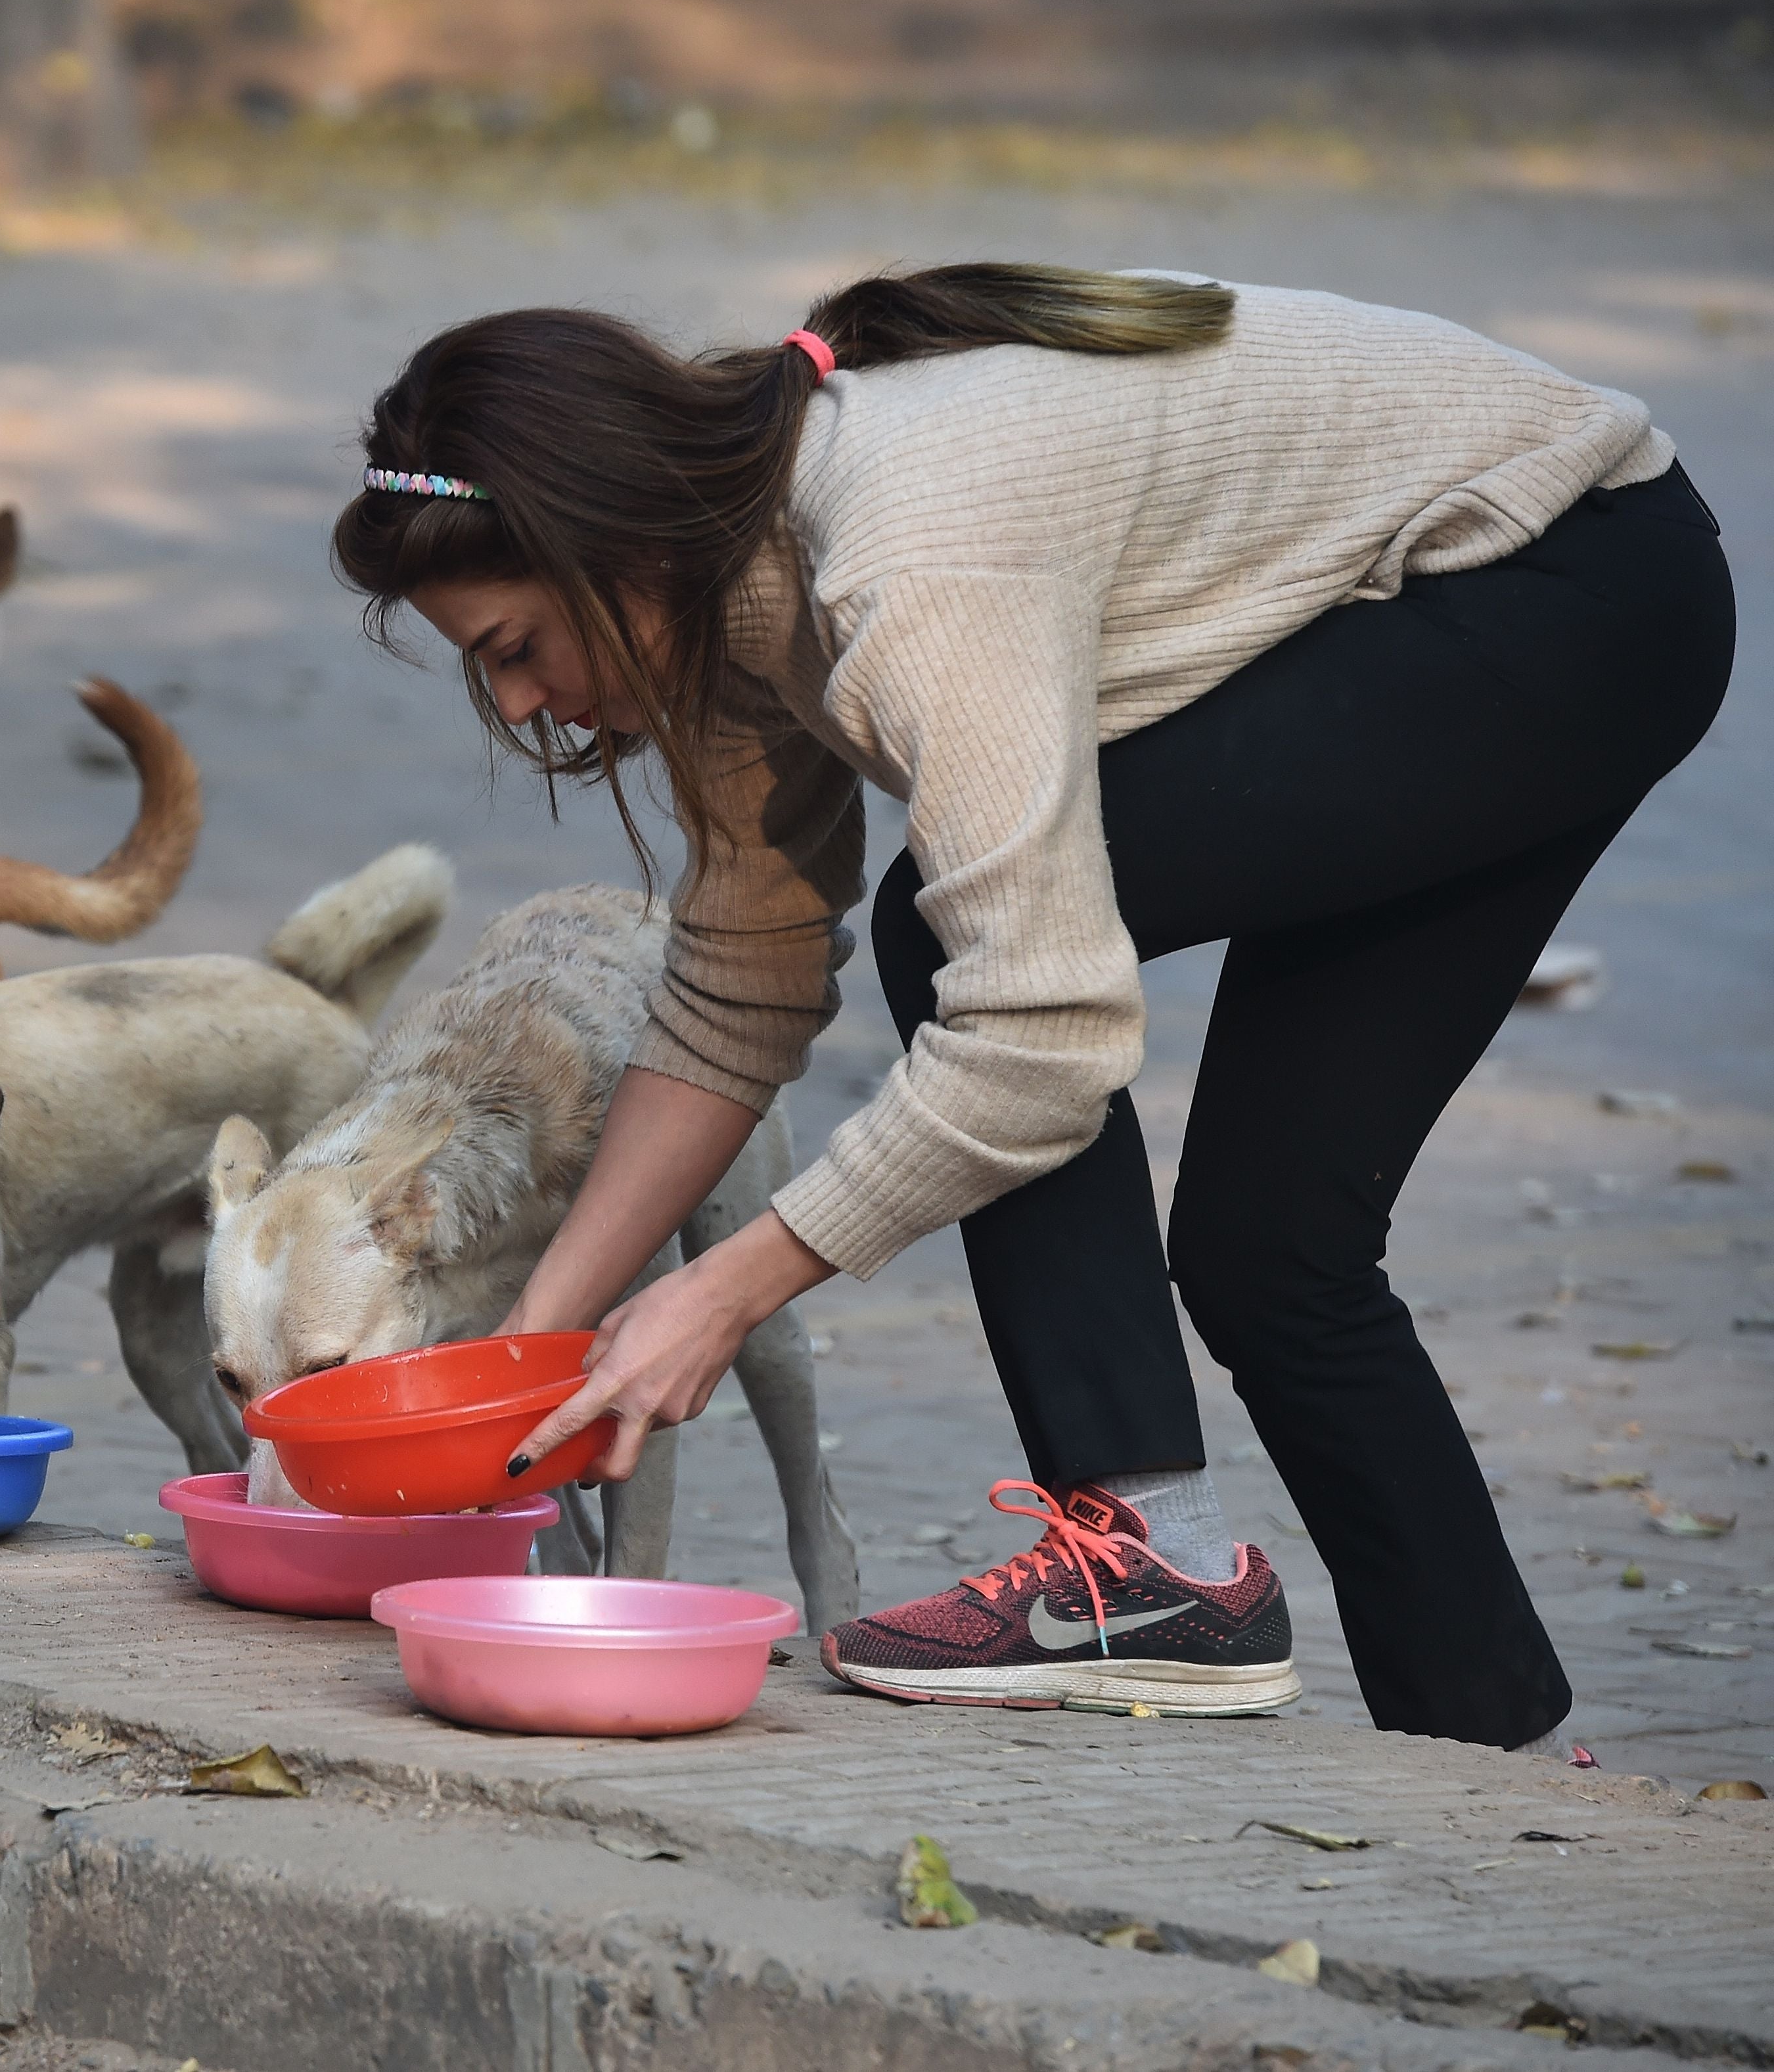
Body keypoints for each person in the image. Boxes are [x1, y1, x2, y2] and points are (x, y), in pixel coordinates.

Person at [332, 266, 1731, 1749]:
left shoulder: (903, 553)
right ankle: (1491, 1761)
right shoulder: (720, 589)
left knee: (957, 943)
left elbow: (1037, 1035)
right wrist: (531, 1357)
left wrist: (722, 1288)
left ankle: (1148, 1562)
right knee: (1271, 1251)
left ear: (607, 541)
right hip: (1516, 605)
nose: (523, 707)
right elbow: (742, 979)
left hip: (1558, 591)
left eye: (510, 648)